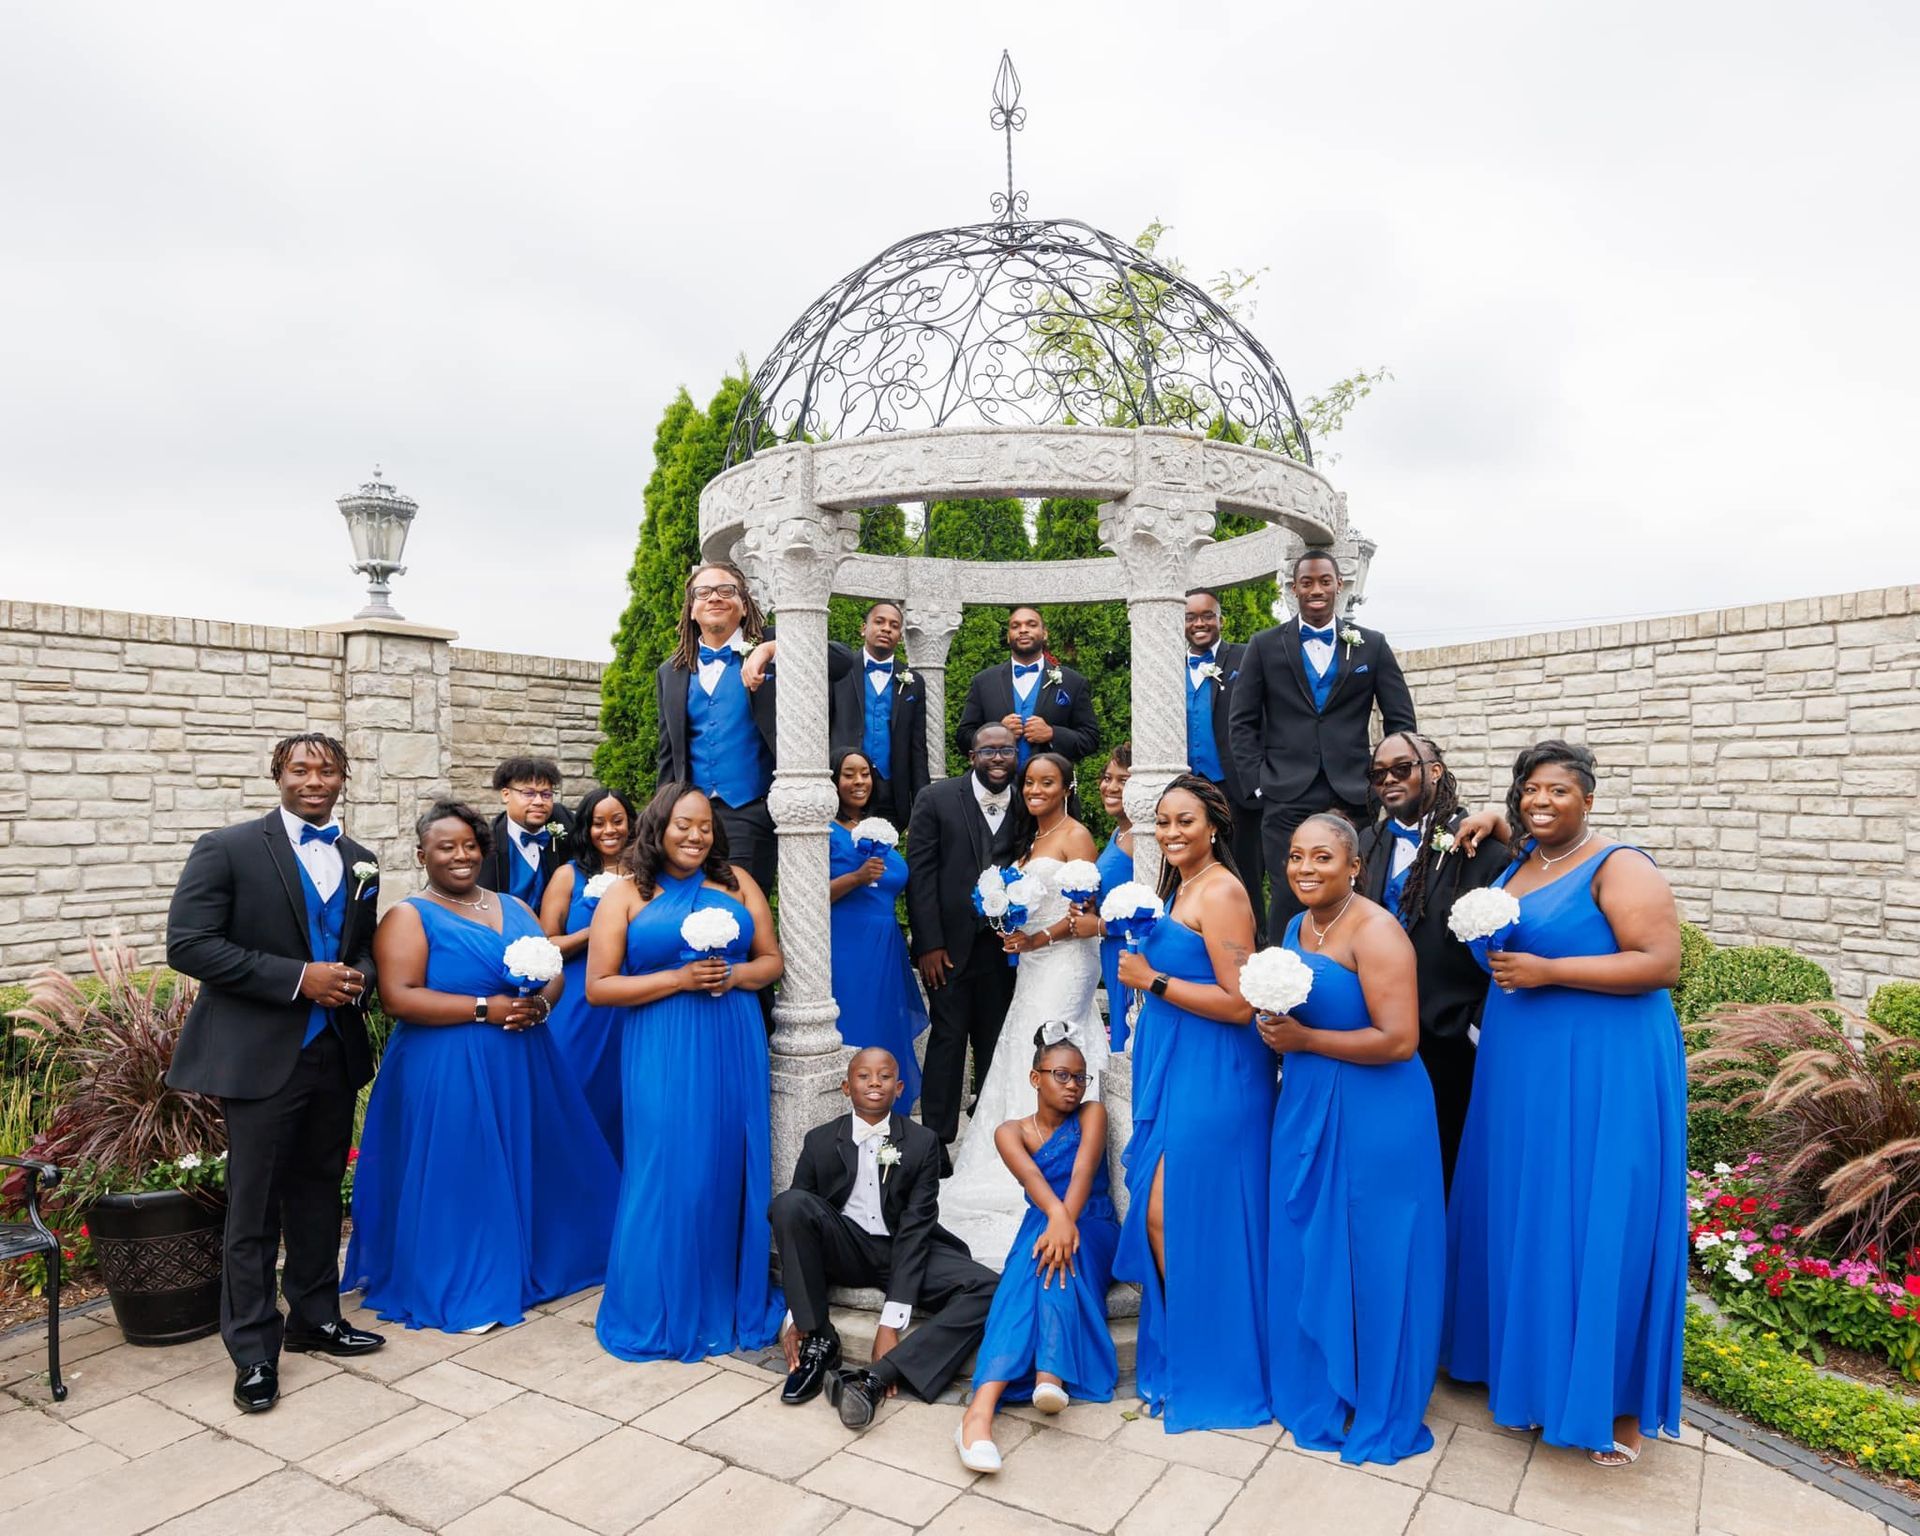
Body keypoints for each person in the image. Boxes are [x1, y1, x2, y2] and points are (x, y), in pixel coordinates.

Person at [1444, 740, 1687, 1467]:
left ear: (1588, 796)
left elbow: (1660, 963)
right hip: (1524, 1065)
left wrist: (1550, 970)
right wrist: (1490, 817)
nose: (1541, 801)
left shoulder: (1622, 865)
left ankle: (1608, 1404)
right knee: (1532, 1208)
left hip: (1604, 1060)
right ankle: (1529, 1377)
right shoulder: (1522, 860)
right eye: (1529, 790)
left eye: (1558, 790)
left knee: (1594, 1212)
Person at [166, 733, 386, 1413]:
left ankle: (315, 1319)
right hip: (260, 1056)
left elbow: (361, 949)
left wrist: (359, 981)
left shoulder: (361, 861)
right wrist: (299, 979)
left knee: (319, 1191)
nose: (314, 779)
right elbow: (190, 944)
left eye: (328, 769)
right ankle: (254, 1352)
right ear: (277, 776)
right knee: (254, 1209)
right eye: (301, 769)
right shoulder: (227, 847)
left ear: (345, 778)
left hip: (333, 1053)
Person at [345, 802, 619, 1333]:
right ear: (422, 854)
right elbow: (398, 999)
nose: (460, 855)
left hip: (523, 1058)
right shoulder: (409, 915)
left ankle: (533, 1260)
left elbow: (551, 968)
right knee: (463, 1169)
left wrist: (543, 1004)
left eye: (469, 845)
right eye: (445, 847)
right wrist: (482, 1009)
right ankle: (467, 1280)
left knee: (532, 1158)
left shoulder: (514, 904)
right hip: (446, 1064)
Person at [1259, 813, 1444, 1465]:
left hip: (1377, 1112)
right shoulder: (1295, 925)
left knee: (1373, 1247)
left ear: (1354, 866)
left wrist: (1305, 1040)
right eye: (1296, 857)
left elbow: (1399, 1040)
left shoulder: (1379, 932)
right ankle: (1320, 1377)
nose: (1306, 869)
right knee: (1311, 1238)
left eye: (1322, 858)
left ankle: (1375, 1390)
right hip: (1308, 1101)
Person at [587, 783, 786, 1362]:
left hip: (731, 1036)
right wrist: (677, 979)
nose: (696, 835)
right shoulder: (625, 894)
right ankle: (655, 1304)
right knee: (665, 1166)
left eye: (704, 826)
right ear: (657, 827)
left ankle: (722, 1295)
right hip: (659, 1042)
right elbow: (599, 987)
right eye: (683, 825)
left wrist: (736, 977)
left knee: (724, 1164)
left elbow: (770, 960)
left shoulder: (737, 883)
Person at [1112, 775, 1274, 1432]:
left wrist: (1152, 979)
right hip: (1175, 1062)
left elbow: (1241, 1004)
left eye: (1184, 822)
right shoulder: (1179, 886)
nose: (1171, 833)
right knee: (1171, 1214)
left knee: (1172, 1214)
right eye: (1162, 823)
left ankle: (1213, 1360)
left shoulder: (1226, 891)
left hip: (1217, 1071)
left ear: (1214, 825)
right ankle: (1192, 1352)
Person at [939, 752, 1108, 1266]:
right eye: (1030, 782)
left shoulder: (1075, 836)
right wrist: (1011, 923)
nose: (1035, 790)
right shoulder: (1027, 838)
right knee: (1021, 1048)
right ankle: (1019, 1152)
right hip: (1034, 964)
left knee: (1053, 1042)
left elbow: (1086, 913)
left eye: (1047, 782)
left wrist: (1040, 938)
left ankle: (1063, 1158)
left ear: (1065, 786)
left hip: (1067, 962)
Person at [772, 1048, 999, 1430]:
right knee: (789, 1204)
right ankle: (820, 1343)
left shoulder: (923, 1142)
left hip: (904, 1249)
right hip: (844, 1246)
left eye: (885, 1076)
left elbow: (916, 1227)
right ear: (846, 1087)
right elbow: (798, 1228)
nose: (874, 1082)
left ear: (900, 1087)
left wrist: (889, 1324)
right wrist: (798, 1313)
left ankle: (879, 1376)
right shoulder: (819, 1141)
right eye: (864, 1076)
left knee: (990, 1289)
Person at [1228, 549, 1417, 942]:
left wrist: (1385, 783)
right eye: (1307, 582)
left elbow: (1401, 722)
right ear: (1294, 588)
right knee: (1287, 892)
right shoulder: (1264, 646)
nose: (1316, 589)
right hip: (1284, 792)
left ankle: (1351, 971)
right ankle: (1281, 984)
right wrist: (1258, 783)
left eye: (1324, 581)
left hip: (1353, 792)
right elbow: (1241, 721)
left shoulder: (1371, 645)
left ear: (1339, 586)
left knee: (1355, 889)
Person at [957, 1025, 1120, 1473]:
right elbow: (1033, 1183)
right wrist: (1057, 1223)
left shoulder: (1093, 1114)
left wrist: (1064, 1224)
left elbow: (1084, 1176)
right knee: (1033, 1267)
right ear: (1035, 1078)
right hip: (1045, 1219)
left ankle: (1046, 1373)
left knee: (1057, 1256)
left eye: (1080, 1077)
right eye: (1061, 1076)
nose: (1073, 1086)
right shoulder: (1010, 1132)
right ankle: (981, 1412)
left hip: (1093, 1220)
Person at [1357, 733, 1508, 1188]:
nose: (1389, 780)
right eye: (1378, 773)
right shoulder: (1367, 842)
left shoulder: (1479, 845)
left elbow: (1519, 914)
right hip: (1374, 1032)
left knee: (1446, 1162)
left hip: (1447, 1037)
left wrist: (1474, 1024)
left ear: (1434, 771)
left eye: (1402, 768)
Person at [905, 725, 1022, 1156]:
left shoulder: (1029, 800)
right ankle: (935, 1143)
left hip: (1007, 950)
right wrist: (928, 944)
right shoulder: (936, 799)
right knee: (948, 1039)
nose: (997, 758)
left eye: (1006, 751)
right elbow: (921, 875)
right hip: (948, 948)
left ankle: (991, 1142)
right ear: (972, 755)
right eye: (988, 750)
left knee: (997, 1039)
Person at [829, 748, 930, 1110]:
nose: (858, 782)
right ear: (832, 780)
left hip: (886, 947)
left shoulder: (881, 829)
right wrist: (856, 877)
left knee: (887, 1028)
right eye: (848, 774)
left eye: (865, 774)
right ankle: (849, 1112)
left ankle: (890, 1118)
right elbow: (807, 897)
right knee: (856, 1024)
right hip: (848, 945)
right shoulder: (823, 829)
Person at [538, 786, 636, 1156]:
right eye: (598, 823)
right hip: (580, 1000)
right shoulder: (568, 875)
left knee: (628, 1097)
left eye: (617, 820)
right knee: (577, 1090)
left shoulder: (647, 874)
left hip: (633, 998)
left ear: (631, 823)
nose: (608, 830)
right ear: (586, 828)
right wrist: (595, 931)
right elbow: (548, 943)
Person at [1183, 590, 1265, 933]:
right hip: (1188, 789)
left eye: (1207, 615)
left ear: (1221, 620)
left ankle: (1257, 946)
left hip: (1237, 787)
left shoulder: (1245, 658)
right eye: (1190, 617)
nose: (1199, 623)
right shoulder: (1167, 668)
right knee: (1194, 870)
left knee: (1245, 871)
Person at [955, 606, 1100, 777]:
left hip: (1049, 787)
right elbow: (963, 737)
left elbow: (1091, 739)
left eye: (1031, 624)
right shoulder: (984, 682)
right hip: (995, 786)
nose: (1023, 630)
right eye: (1015, 626)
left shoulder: (1072, 682)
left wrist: (1053, 734)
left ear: (1044, 633)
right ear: (1008, 637)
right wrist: (996, 731)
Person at [828, 600, 930, 832]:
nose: (886, 629)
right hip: (842, 786)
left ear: (900, 635)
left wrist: (923, 802)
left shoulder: (913, 681)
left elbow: (918, 746)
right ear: (864, 628)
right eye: (879, 622)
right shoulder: (839, 669)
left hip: (892, 791)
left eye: (894, 625)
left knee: (882, 861)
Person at [478, 757, 574, 911]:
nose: (538, 801)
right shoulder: (487, 843)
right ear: (506, 795)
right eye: (528, 793)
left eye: (546, 794)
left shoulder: (565, 820)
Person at [1093, 745, 1136, 1049]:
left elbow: (1152, 913)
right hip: (1112, 952)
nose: (1110, 787)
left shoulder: (1142, 839)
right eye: (1108, 778)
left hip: (1130, 951)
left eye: (1123, 780)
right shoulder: (1118, 833)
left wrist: (1095, 926)